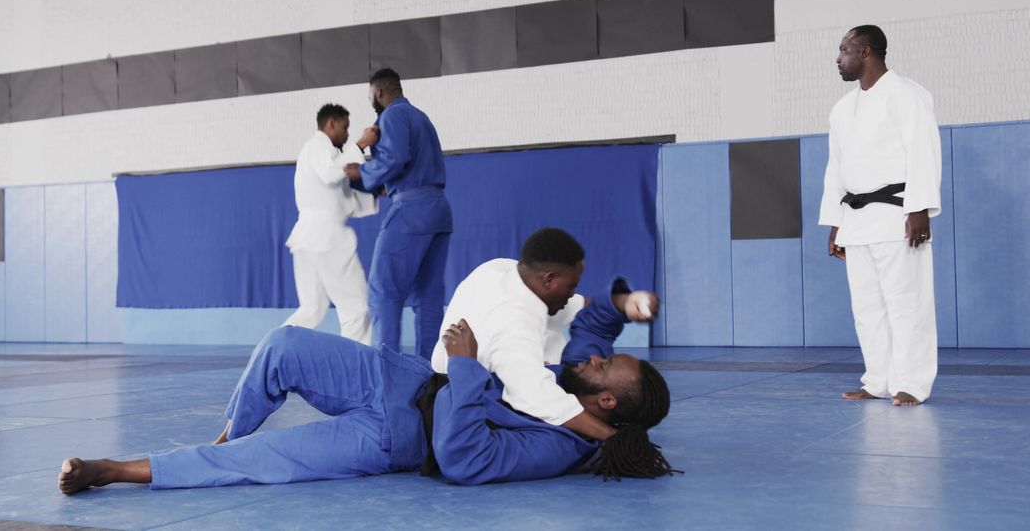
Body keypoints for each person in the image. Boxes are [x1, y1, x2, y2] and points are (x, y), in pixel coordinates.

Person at [57, 279, 675, 494]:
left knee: (262, 462)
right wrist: (626, 303)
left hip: (390, 437)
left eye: (603, 369)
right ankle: (222, 436)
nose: (592, 360)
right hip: (392, 375)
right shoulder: (576, 385)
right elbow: (591, 325)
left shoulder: (558, 445)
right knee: (282, 345)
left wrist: (463, 365)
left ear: (608, 404)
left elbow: (465, 459)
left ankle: (114, 471)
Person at [430, 228, 658, 444]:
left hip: (462, 378)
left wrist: (625, 303)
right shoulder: (513, 325)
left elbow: (579, 307)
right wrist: (611, 437)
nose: (572, 294)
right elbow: (532, 394)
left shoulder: (502, 269)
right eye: (571, 286)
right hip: (466, 402)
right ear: (548, 279)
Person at [820, 25, 942, 406]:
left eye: (844, 50)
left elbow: (923, 151)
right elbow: (835, 168)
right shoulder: (842, 109)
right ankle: (877, 379)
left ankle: (912, 383)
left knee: (907, 303)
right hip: (857, 220)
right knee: (867, 307)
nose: (838, 58)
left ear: (867, 52)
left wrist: (919, 207)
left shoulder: (908, 95)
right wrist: (836, 223)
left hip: (897, 215)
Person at [343, 68, 452, 359]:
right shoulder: (422, 118)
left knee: (384, 293)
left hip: (411, 211)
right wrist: (378, 183)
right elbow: (410, 163)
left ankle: (387, 372)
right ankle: (431, 374)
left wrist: (362, 172)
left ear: (378, 93)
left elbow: (395, 158)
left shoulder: (391, 116)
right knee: (428, 299)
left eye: (371, 97)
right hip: (438, 211)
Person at [282, 104, 380, 344]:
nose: (347, 135)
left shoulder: (326, 154)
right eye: (345, 128)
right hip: (326, 238)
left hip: (308, 238)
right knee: (357, 310)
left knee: (312, 310)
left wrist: (379, 190)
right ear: (331, 124)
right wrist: (360, 145)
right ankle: (356, 369)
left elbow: (343, 201)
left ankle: (271, 355)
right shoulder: (318, 147)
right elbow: (331, 173)